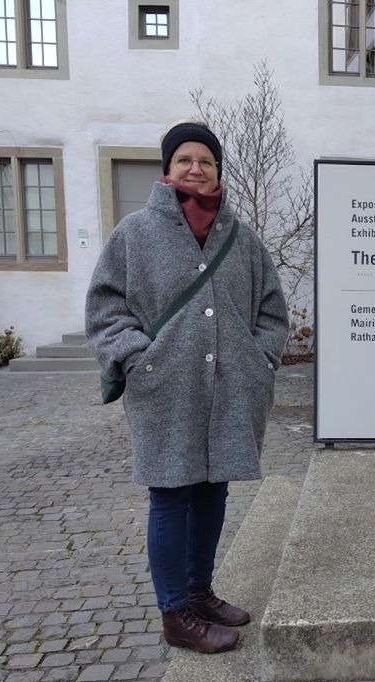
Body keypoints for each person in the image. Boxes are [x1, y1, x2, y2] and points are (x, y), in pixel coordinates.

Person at [85, 122, 289, 653]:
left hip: (230, 389)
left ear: (218, 170)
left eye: (206, 161)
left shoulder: (242, 240)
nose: (196, 169)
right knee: (171, 496)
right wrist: (137, 359)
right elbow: (106, 307)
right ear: (167, 169)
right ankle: (175, 613)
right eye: (185, 160)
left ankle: (200, 593)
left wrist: (259, 359)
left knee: (214, 489)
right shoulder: (135, 234)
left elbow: (271, 310)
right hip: (165, 390)